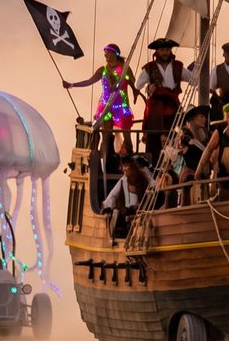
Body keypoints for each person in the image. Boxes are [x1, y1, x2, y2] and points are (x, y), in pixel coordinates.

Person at [65, 43, 140, 180]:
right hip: (106, 107)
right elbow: (89, 81)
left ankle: (130, 163)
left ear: (115, 54)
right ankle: (104, 166)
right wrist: (71, 85)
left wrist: (136, 93)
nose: (105, 55)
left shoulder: (125, 69)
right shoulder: (103, 70)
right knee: (106, 136)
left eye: (108, 52)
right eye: (105, 52)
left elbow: (134, 85)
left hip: (121, 106)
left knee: (127, 136)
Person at [138, 38, 195, 161]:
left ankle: (174, 163)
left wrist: (197, 66)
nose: (165, 52)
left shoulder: (178, 66)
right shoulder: (150, 67)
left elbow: (194, 81)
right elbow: (138, 85)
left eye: (167, 50)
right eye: (162, 50)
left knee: (174, 135)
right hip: (155, 108)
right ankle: (152, 165)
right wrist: (148, 87)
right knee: (154, 138)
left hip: (172, 106)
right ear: (157, 51)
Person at [197, 100, 229, 201]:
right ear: (228, 116)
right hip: (224, 179)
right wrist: (199, 171)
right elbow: (208, 150)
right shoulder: (221, 132)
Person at [101, 156, 152, 239]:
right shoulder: (123, 180)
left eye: (126, 166)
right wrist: (106, 206)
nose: (124, 169)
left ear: (132, 167)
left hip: (140, 211)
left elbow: (153, 186)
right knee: (116, 212)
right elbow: (113, 195)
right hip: (127, 211)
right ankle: (111, 238)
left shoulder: (142, 178)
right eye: (123, 166)